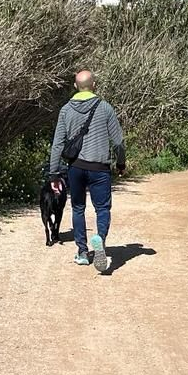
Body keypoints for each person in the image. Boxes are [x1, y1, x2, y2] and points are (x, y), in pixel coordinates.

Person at [49, 70, 126, 273]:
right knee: (102, 209)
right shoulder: (105, 108)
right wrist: (121, 163)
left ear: (75, 86)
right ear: (94, 85)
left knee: (78, 208)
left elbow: (57, 144)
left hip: (75, 167)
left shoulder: (66, 110)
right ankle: (100, 239)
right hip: (100, 168)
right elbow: (118, 141)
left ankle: (82, 253)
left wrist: (53, 173)